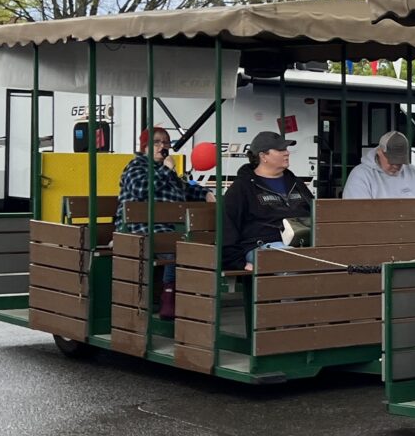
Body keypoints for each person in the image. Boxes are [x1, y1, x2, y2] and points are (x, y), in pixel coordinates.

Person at [116, 127, 206, 320]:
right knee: (177, 248)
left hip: (170, 227)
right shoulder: (136, 166)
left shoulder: (169, 171)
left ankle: (192, 299)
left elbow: (185, 190)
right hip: (142, 227)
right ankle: (169, 298)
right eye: (156, 143)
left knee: (199, 246)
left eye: (165, 142)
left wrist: (206, 194)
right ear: (145, 146)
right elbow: (141, 190)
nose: (162, 146)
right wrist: (166, 169)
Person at [220, 130, 315, 272]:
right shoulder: (242, 187)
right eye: (280, 149)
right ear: (263, 156)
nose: (287, 153)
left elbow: (316, 213)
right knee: (293, 261)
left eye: (286, 149)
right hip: (263, 246)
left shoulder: (296, 183)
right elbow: (227, 227)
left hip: (303, 245)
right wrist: (237, 263)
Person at [342, 131, 415, 199]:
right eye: (392, 161)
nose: (396, 166)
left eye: (400, 162)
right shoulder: (361, 175)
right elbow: (357, 212)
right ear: (379, 152)